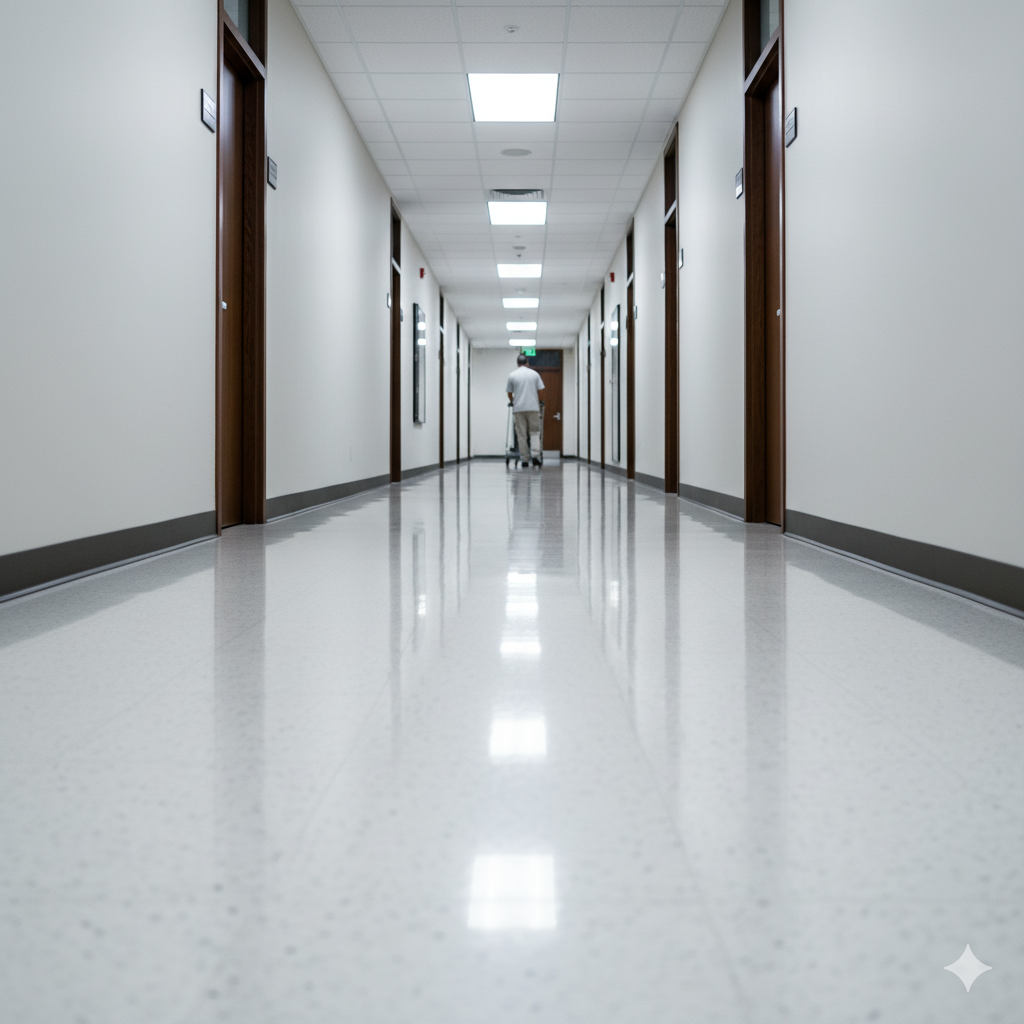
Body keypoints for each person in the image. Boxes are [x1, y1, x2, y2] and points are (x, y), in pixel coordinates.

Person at [506, 354, 545, 468]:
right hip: (533, 408)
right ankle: (535, 455)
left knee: (521, 435)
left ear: (517, 363)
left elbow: (509, 392)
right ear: (527, 363)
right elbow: (541, 391)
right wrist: (539, 401)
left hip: (519, 409)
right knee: (535, 432)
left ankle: (524, 459)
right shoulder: (535, 374)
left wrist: (513, 401)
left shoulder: (512, 375)